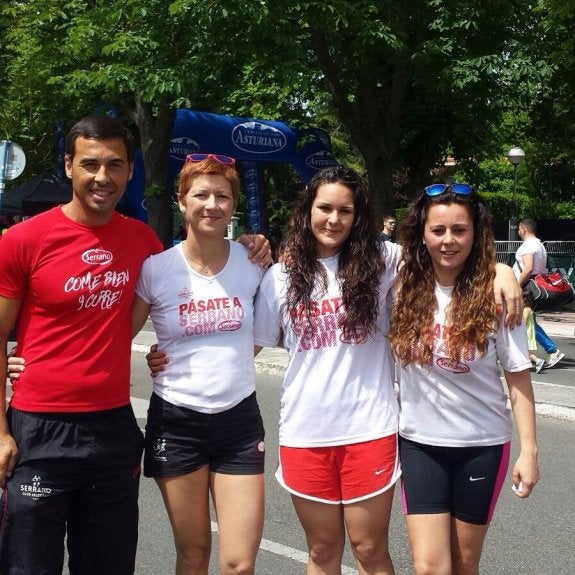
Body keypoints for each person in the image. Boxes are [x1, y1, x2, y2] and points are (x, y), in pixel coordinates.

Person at [0, 117, 270, 575]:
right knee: (29, 566)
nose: (102, 176)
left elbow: (152, 312)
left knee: (108, 564)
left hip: (113, 430)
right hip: (38, 427)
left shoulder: (142, 242)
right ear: (68, 166)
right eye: (89, 164)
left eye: (115, 165)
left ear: (128, 172)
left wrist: (255, 244)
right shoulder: (22, 240)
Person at [250, 169, 523, 575]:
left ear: (359, 216)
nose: (334, 219)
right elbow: (247, 350)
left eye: (346, 210)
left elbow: (441, 253)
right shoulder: (279, 278)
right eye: (324, 207)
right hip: (304, 431)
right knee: (322, 551)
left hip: (370, 429)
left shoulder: (384, 263)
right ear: (306, 211)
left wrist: (504, 271)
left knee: (368, 548)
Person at [389, 183, 539, 575]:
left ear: (477, 233)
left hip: (482, 446)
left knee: (464, 563)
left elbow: (518, 377)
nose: (448, 240)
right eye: (438, 230)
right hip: (419, 444)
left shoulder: (497, 296)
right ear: (422, 234)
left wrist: (530, 451)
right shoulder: (400, 286)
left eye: (460, 230)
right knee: (430, 567)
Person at [132, 154, 266, 575]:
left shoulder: (255, 262)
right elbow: (115, 336)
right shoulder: (156, 269)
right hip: (176, 420)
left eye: (222, 196)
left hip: (239, 421)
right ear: (181, 201)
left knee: (239, 562)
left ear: (233, 204)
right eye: (201, 194)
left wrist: (225, 360)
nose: (212, 204)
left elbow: (264, 334)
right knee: (193, 555)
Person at [513, 218, 565, 369]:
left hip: (527, 287)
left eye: (518, 229)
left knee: (526, 321)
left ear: (523, 229)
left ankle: (552, 350)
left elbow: (528, 268)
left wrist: (516, 286)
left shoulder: (529, 245)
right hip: (534, 286)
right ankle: (541, 352)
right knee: (528, 321)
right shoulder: (540, 245)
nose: (518, 232)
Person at [522, 291, 545, 373]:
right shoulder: (529, 309)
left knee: (522, 350)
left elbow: (523, 321)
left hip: (526, 332)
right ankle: (527, 364)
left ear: (525, 300)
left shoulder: (526, 310)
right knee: (523, 350)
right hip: (528, 332)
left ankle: (538, 361)